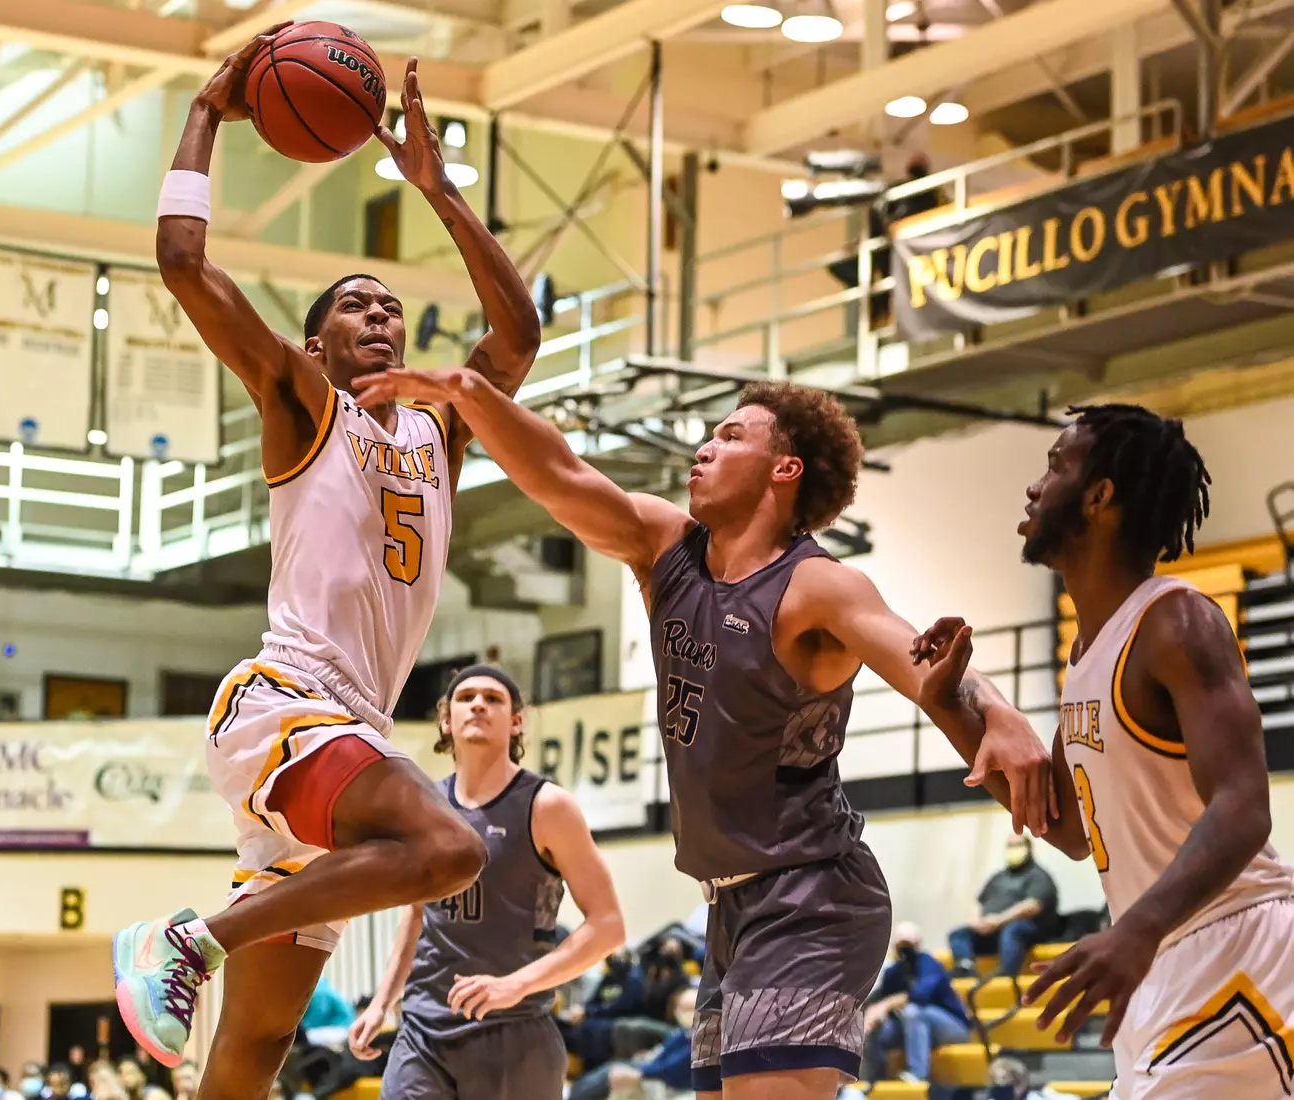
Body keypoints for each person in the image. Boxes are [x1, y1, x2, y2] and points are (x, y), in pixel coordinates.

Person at [348, 368, 1057, 1100]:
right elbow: (560, 475)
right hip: (728, 908)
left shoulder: (816, 586)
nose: (703, 448)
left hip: (811, 895)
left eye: (730, 435)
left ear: (784, 469)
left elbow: (928, 663)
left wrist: (1001, 712)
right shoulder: (666, 547)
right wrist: (471, 392)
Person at [109, 25, 545, 1095]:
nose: (381, 313)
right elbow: (182, 263)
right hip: (287, 704)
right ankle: (186, 939)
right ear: (315, 346)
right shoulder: (306, 405)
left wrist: (438, 191)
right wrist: (206, 113)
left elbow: (516, 338)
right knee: (450, 847)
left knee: (255, 1046)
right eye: (354, 304)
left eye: (390, 305)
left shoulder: (436, 430)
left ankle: (206, 950)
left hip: (352, 731)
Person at [919, 403, 1294, 1098]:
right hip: (1161, 961)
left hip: (1236, 947)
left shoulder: (1177, 621)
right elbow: (1065, 828)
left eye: (1054, 466)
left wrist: (1138, 929)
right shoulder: (1090, 651)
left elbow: (1244, 806)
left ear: (1099, 496)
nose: (1035, 486)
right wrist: (949, 709)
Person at [347, 665, 626, 1098]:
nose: (478, 704)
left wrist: (518, 985)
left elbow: (608, 926)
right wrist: (382, 1003)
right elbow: (417, 915)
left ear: (516, 722)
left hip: (513, 1032)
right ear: (446, 720)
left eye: (493, 699)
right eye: (466, 697)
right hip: (422, 1031)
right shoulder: (425, 805)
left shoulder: (548, 806)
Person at [861, 923, 970, 1086]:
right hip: (912, 1029)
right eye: (901, 946)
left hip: (952, 1026)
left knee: (913, 1012)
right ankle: (872, 1078)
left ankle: (918, 1074)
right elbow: (881, 998)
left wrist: (886, 1004)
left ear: (918, 944)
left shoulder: (929, 964)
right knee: (875, 1028)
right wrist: (872, 1015)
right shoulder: (893, 972)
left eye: (909, 945)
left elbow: (919, 996)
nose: (905, 951)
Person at [947, 834, 1059, 979]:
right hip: (992, 931)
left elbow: (1033, 905)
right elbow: (979, 901)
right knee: (958, 934)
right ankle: (965, 967)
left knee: (1013, 929)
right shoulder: (998, 877)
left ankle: (1007, 973)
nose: (1013, 850)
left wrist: (999, 920)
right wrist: (977, 922)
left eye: (1018, 845)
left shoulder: (1038, 876)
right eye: (1010, 846)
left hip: (1026, 931)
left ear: (1029, 849)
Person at [568, 985, 699, 1100]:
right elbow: (666, 1050)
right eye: (682, 1009)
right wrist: (651, 1056)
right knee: (613, 1070)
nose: (685, 1013)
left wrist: (641, 1072)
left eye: (690, 1009)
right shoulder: (685, 1031)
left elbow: (674, 1069)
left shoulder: (703, 1038)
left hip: (673, 1084)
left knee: (618, 1075)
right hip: (656, 1072)